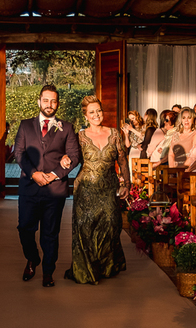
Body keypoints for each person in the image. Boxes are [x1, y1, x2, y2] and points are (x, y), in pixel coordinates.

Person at [14, 84, 80, 287]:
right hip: (29, 187)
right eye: (46, 100)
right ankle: (32, 258)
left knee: (50, 233)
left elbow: (74, 155)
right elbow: (19, 153)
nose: (49, 104)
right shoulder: (25, 125)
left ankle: (48, 272)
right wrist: (34, 174)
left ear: (57, 104)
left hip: (55, 190)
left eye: (53, 101)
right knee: (24, 228)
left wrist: (54, 175)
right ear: (39, 101)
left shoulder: (66, 127)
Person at [66, 96, 128, 284]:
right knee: (85, 228)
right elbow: (72, 157)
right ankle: (87, 270)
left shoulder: (114, 133)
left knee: (111, 224)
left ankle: (106, 266)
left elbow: (122, 160)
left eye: (98, 111)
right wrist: (63, 159)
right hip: (85, 188)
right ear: (85, 116)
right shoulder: (79, 136)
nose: (96, 115)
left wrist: (126, 183)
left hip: (109, 187)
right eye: (91, 112)